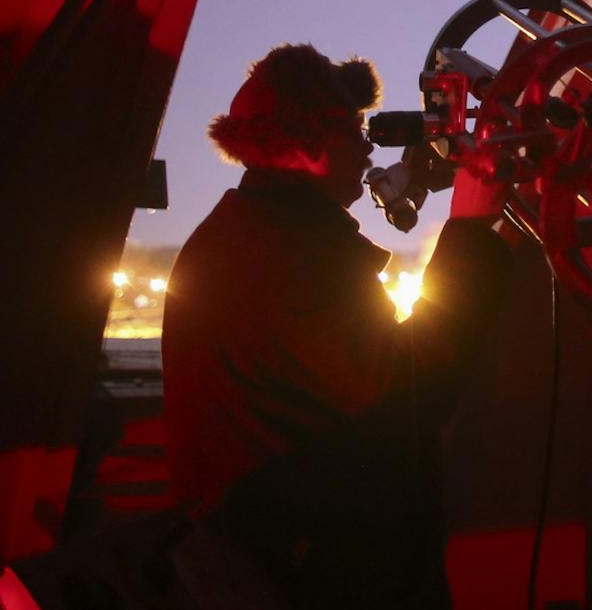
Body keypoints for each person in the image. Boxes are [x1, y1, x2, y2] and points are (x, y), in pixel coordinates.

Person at [161, 44, 511, 609]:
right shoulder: (281, 259)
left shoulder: (262, 237)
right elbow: (408, 389)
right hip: (318, 574)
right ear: (309, 146)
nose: (368, 144)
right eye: (355, 130)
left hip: (303, 554)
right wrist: (470, 228)